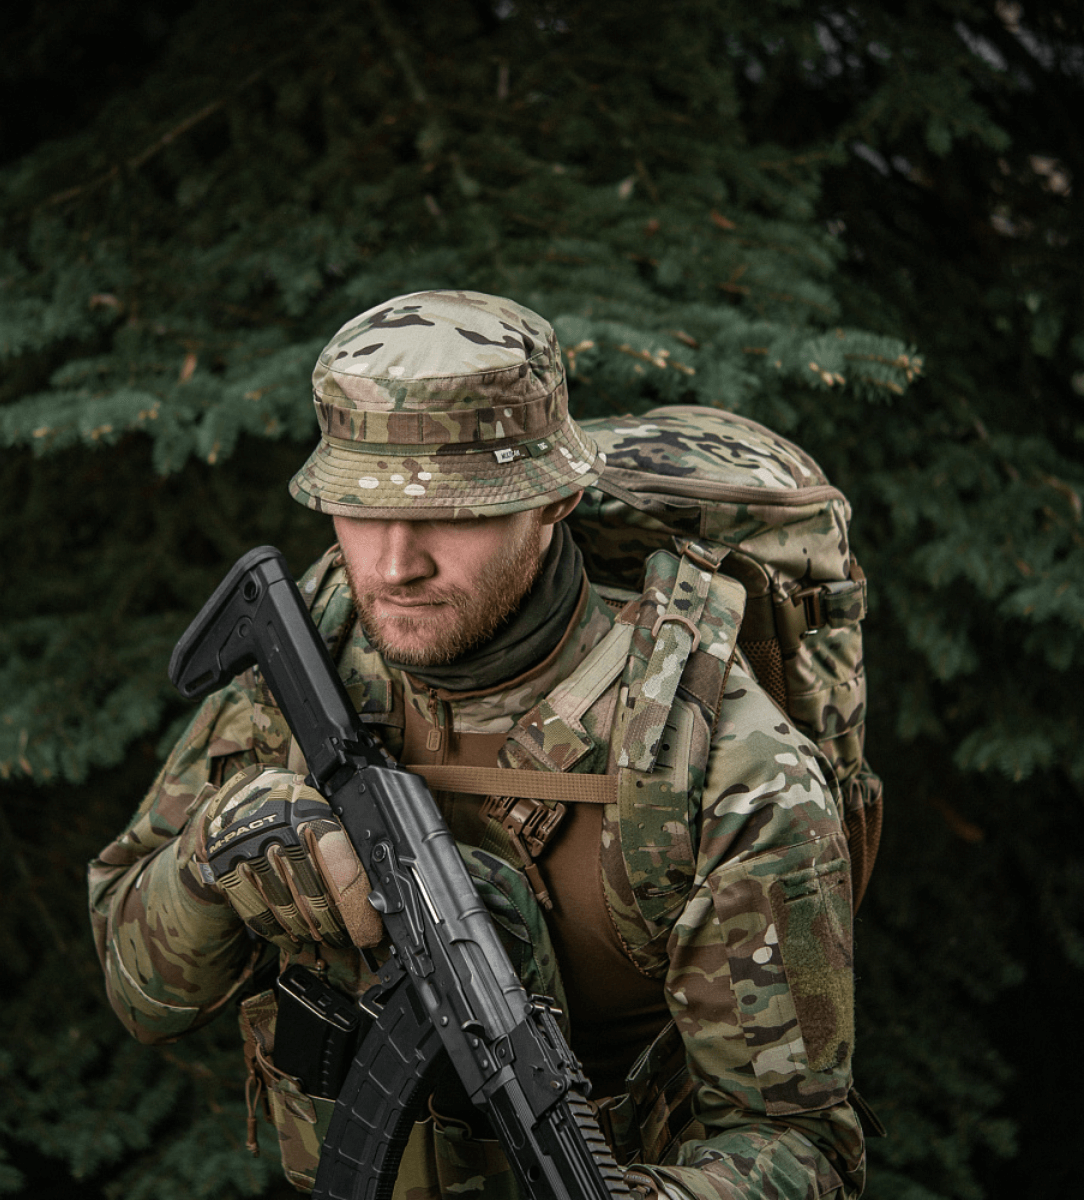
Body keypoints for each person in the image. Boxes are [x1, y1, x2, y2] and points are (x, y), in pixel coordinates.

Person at [88, 290, 865, 1200]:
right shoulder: (317, 657)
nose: (393, 565)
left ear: (556, 500)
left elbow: (801, 1148)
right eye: (360, 508)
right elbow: (136, 989)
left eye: (453, 513)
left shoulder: (717, 766)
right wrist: (214, 858)